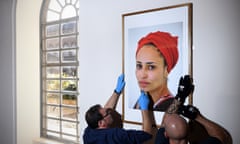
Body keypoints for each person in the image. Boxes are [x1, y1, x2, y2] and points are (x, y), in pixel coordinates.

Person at [83, 74, 158, 144]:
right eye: (108, 113)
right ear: (101, 123)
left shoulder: (88, 132)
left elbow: (105, 111)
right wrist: (145, 109)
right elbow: (147, 136)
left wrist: (117, 92)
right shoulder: (116, 135)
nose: (110, 111)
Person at [134, 31, 180, 111]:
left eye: (151, 67)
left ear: (166, 70)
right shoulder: (142, 101)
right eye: (139, 66)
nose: (142, 75)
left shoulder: (170, 107)